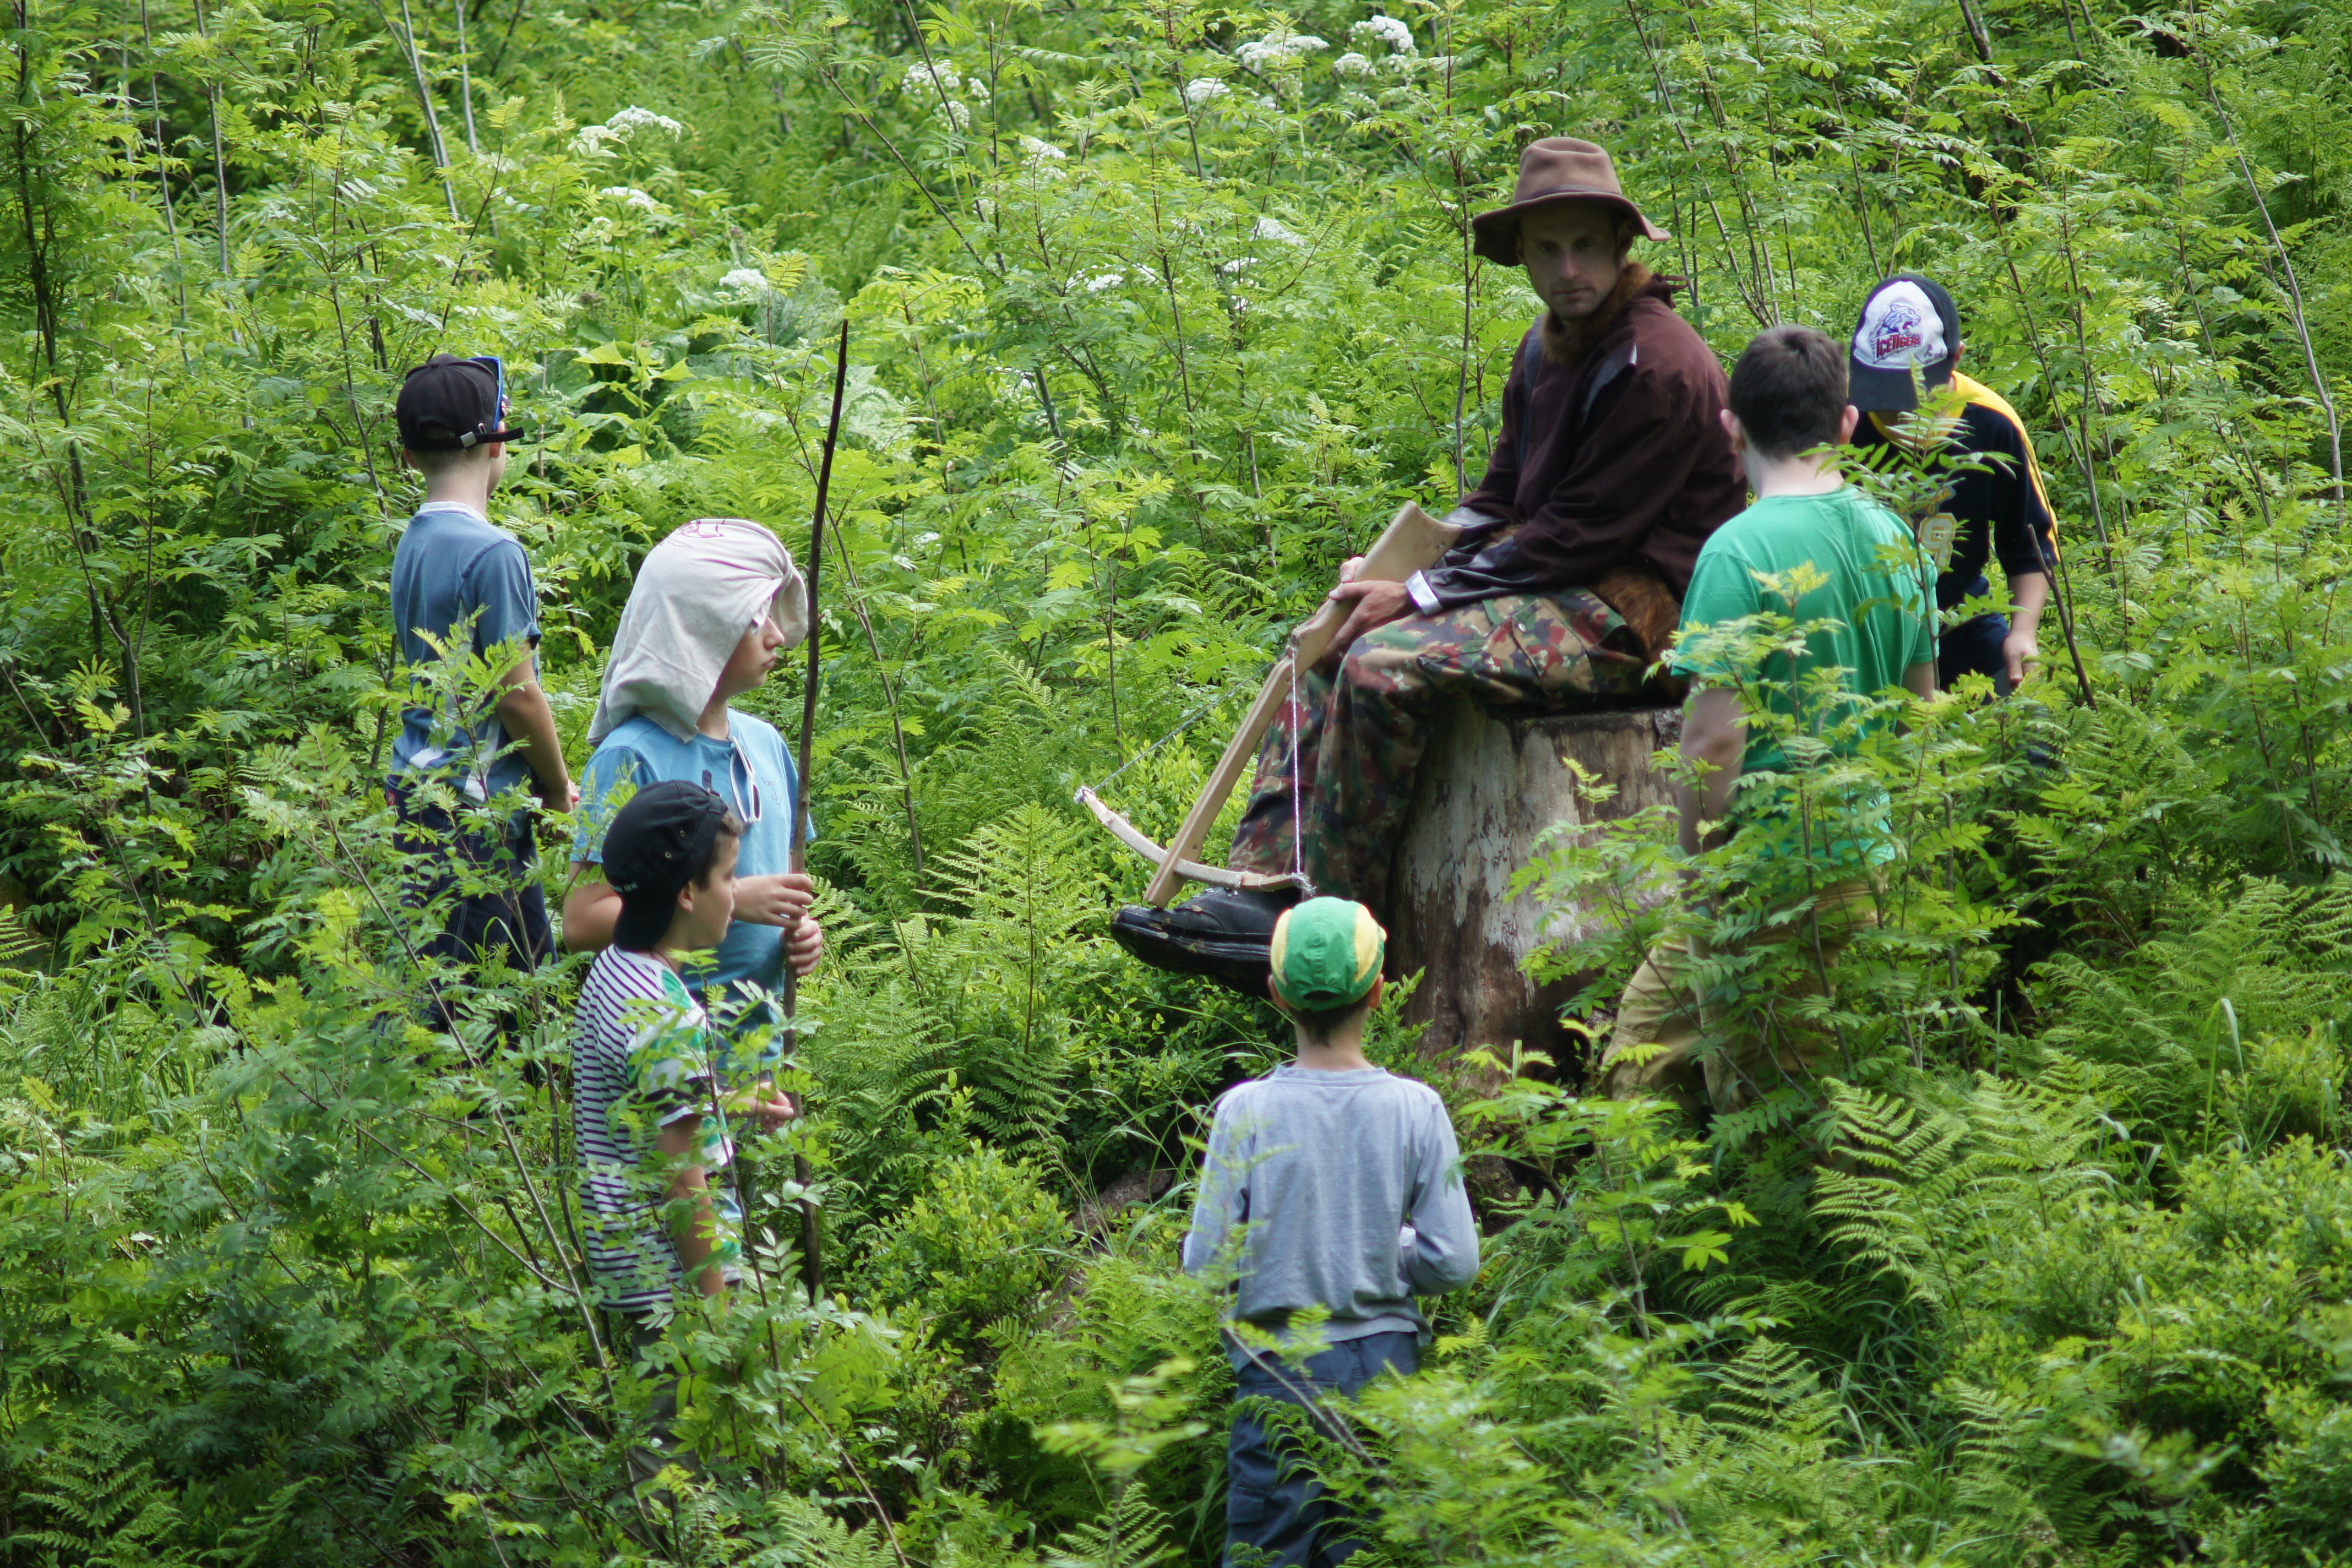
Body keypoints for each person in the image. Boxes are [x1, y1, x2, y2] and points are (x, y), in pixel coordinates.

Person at [1115, 138, 1743, 996]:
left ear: (1620, 245)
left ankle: (1336, 925)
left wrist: (1418, 594)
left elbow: (1575, 535)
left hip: (1641, 619)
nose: (1568, 269)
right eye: (1549, 249)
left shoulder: (1656, 365)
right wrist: (1390, 568)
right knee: (1333, 640)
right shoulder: (1547, 348)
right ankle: (1262, 893)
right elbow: (1500, 499)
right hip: (1561, 584)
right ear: (1522, 256)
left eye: (1585, 246)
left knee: (1382, 665)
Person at [1596, 325, 1936, 1118]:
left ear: (1732, 428)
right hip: (1867, 860)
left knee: (1782, 1116)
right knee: (1645, 1056)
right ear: (1847, 424)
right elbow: (1922, 716)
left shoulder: (1735, 553)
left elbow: (1715, 740)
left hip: (1762, 881)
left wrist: (1698, 875)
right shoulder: (1898, 538)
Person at [1183, 897, 1480, 1568]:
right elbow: (1456, 1262)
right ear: (1378, 991)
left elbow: (1204, 1267)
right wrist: (1393, 1251)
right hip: (1386, 1373)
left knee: (1268, 1554)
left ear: (1276, 994)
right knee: (1374, 1550)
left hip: (1276, 1377)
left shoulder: (1243, 1111)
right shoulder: (1417, 1108)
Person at [571, 781, 796, 1489]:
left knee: (661, 1436)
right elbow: (681, 1180)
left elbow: (641, 1102)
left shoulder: (616, 971)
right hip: (667, 1278)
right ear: (689, 894)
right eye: (728, 877)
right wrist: (717, 1306)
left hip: (624, 1259)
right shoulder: (667, 1016)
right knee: (674, 1459)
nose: (737, 894)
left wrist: (731, 1101)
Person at [564, 519, 825, 1030]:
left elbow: (784, 887)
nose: (777, 635)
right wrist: (733, 900)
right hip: (667, 1048)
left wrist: (802, 933)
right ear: (698, 629)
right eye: (755, 619)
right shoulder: (631, 757)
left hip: (763, 1047)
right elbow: (582, 921)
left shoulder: (767, 744)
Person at [385, 353, 576, 1020]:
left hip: (420, 792)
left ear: (409, 454)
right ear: (498, 443)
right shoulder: (495, 553)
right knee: (477, 1014)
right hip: (472, 813)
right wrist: (557, 787)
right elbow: (515, 695)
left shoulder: (415, 539)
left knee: (505, 985)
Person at [1845, 274, 2060, 693]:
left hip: (1962, 620)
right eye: (1884, 395)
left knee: (2025, 720)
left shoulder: (1992, 422)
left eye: (1914, 397)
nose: (1900, 414)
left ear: (1957, 358)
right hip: (1866, 630)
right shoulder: (1842, 423)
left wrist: (2024, 632)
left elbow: (2030, 545)